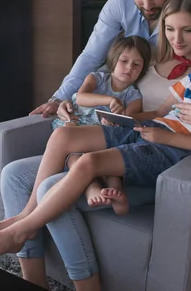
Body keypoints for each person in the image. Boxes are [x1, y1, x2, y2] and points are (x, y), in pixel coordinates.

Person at [0, 0, 191, 291]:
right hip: (134, 130)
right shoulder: (151, 61)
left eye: (188, 30)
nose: (177, 39)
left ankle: (24, 231)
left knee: (50, 187)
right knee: (22, 167)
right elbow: (152, 109)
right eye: (170, 29)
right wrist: (70, 102)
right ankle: (27, 246)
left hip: (158, 150)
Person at [31, 0, 181, 118]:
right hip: (120, 92)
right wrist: (59, 98)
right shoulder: (120, 2)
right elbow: (91, 56)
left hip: (165, 95)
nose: (147, 5)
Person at [51, 35, 151, 209]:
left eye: (136, 64)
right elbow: (81, 98)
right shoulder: (96, 78)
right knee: (75, 158)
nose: (129, 67)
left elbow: (128, 121)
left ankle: (116, 191)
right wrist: (109, 100)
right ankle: (92, 188)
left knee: (105, 160)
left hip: (101, 137)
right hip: (76, 129)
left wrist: (115, 121)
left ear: (142, 69)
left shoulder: (134, 95)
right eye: (124, 61)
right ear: (113, 60)